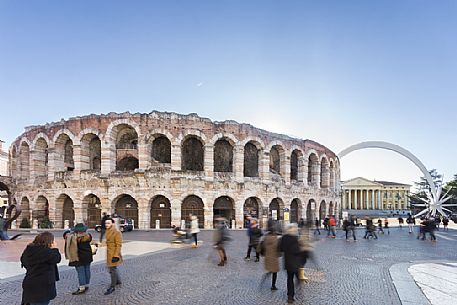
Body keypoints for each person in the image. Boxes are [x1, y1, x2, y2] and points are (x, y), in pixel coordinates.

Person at [21, 232, 61, 305]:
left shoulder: (29, 250)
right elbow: (57, 258)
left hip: (30, 283)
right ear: (49, 242)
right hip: (42, 287)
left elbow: (24, 263)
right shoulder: (47, 252)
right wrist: (55, 248)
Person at [64, 223, 94, 295]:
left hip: (78, 257)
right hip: (88, 256)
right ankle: (86, 285)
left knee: (80, 272)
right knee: (87, 270)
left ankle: (82, 288)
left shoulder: (74, 237)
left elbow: (67, 236)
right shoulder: (88, 236)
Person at [279, 223, 303, 304]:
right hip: (295, 262)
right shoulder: (295, 239)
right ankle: (297, 288)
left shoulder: (284, 238)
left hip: (287, 262)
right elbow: (298, 251)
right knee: (298, 277)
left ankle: (290, 296)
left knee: (289, 279)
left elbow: (281, 249)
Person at [104, 218, 123, 295]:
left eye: (108, 223)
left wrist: (115, 256)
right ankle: (118, 281)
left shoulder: (116, 232)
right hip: (109, 253)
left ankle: (112, 286)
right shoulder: (107, 231)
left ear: (112, 223)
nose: (106, 225)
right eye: (106, 223)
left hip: (114, 254)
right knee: (113, 268)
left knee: (112, 269)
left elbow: (118, 245)